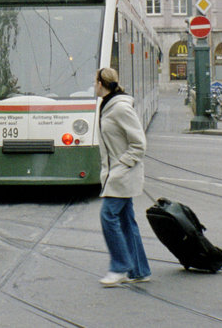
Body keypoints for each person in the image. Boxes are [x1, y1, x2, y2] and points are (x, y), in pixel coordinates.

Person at [94, 66, 151, 287]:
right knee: (127, 222)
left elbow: (139, 144)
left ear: (101, 83)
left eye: (95, 81)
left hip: (122, 175)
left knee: (108, 217)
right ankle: (139, 270)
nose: (94, 85)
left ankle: (119, 267)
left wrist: (119, 167)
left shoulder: (120, 109)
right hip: (116, 174)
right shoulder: (108, 105)